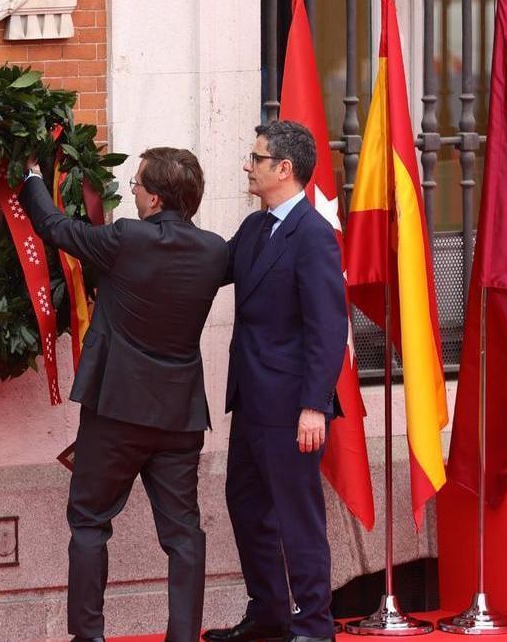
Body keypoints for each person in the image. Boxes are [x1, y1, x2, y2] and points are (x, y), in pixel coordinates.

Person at [19, 147, 230, 642]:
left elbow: (56, 228)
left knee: (90, 521)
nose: (131, 190)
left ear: (154, 198)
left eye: (136, 184)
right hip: (180, 417)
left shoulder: (127, 238)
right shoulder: (216, 251)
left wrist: (31, 176)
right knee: (184, 535)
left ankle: (88, 636)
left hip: (116, 410)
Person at [203, 121, 347, 642]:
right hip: (251, 399)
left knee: (297, 515)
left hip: (291, 407)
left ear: (283, 168)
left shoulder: (312, 235)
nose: (248, 165)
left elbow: (328, 328)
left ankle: (313, 625)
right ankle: (269, 614)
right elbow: (213, 266)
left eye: (256, 157)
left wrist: (315, 406)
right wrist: (156, 246)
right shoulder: (257, 226)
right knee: (245, 504)